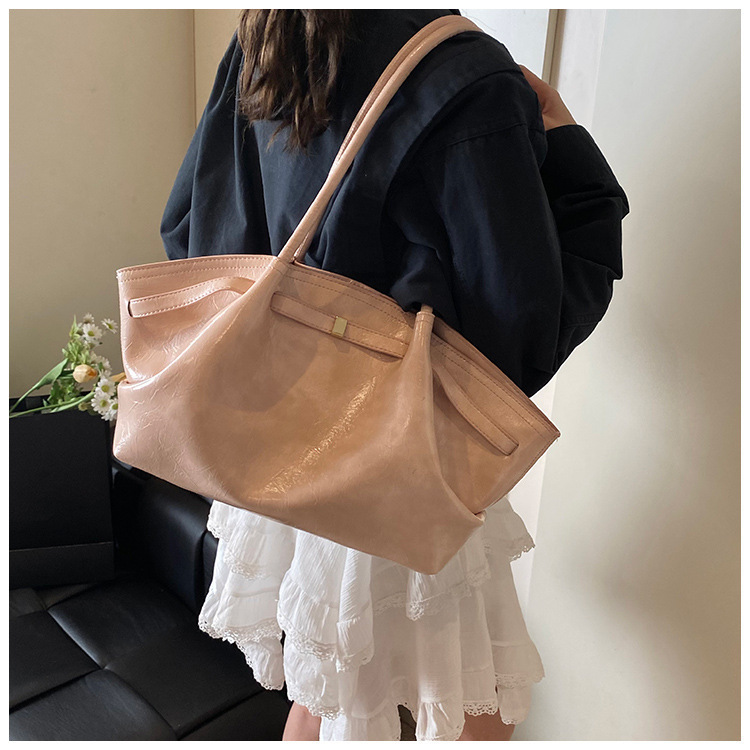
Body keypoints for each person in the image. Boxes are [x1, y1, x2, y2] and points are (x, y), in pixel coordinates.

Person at [160, 9, 629, 742]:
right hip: (400, 452)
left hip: (278, 433)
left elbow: (193, 226)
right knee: (471, 708)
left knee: (326, 694)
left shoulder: (274, 38)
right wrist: (569, 151)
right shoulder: (467, 75)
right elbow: (516, 338)